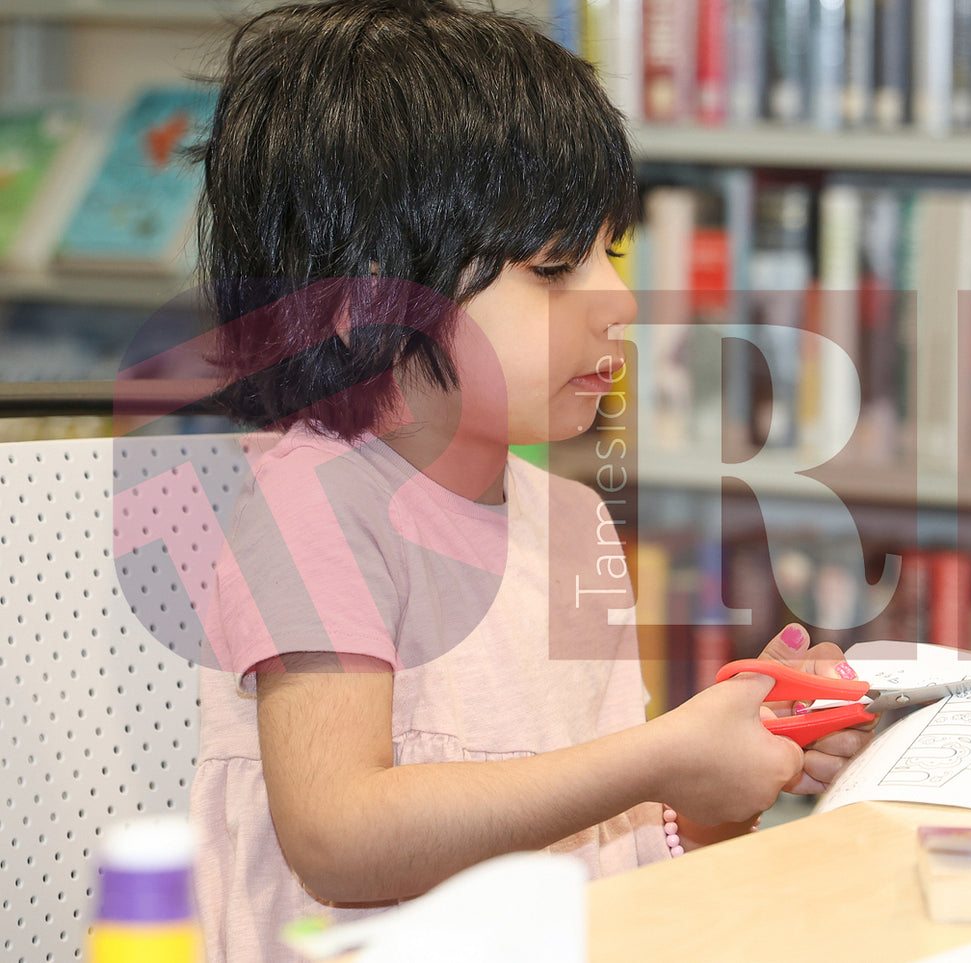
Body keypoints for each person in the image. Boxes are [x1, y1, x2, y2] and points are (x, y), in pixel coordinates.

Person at [185, 2, 873, 960]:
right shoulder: (316, 507)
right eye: (555, 268)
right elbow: (338, 840)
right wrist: (659, 755)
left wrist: (733, 770)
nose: (619, 299)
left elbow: (610, 849)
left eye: (610, 252)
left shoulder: (575, 517)